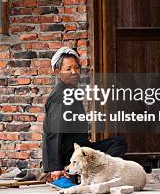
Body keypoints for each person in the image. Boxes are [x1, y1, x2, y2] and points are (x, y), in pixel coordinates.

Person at [42, 47, 127, 185]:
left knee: (118, 143)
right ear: (57, 72)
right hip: (70, 154)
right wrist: (55, 168)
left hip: (81, 149)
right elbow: (54, 133)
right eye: (68, 69)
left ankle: (97, 175)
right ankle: (70, 172)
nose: (74, 72)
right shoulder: (60, 95)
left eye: (76, 68)